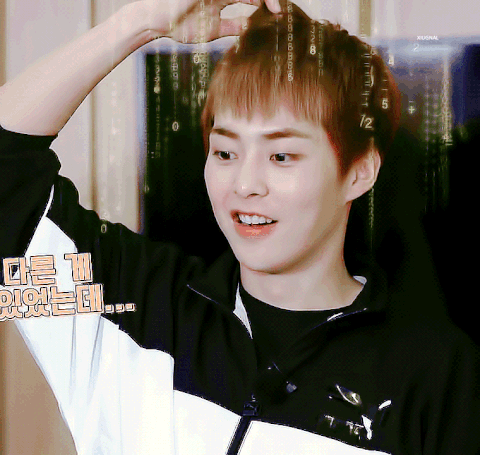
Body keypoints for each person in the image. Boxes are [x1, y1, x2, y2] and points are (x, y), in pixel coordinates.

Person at [0, 1, 478, 454]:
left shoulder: (437, 373)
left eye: (281, 156)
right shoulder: (133, 300)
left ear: (358, 172)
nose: (245, 185)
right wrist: (140, 23)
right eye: (226, 152)